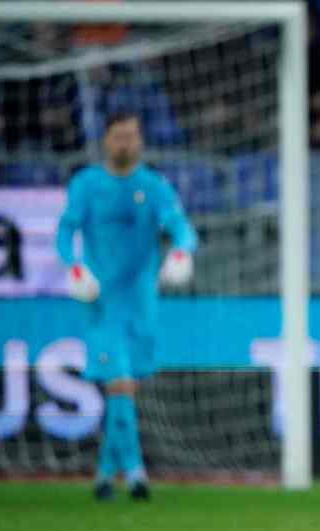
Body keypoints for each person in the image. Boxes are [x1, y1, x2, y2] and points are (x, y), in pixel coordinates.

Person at [56, 111, 198, 501]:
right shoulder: (87, 184)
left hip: (141, 302)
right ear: (106, 140)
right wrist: (73, 265)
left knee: (126, 388)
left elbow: (182, 226)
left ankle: (104, 475)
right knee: (118, 381)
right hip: (101, 301)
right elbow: (66, 230)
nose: (126, 143)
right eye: (119, 137)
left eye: (132, 136)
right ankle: (136, 474)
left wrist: (182, 253)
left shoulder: (153, 186)